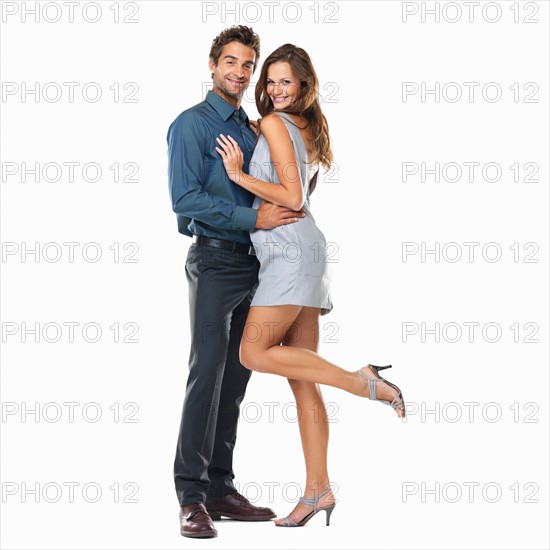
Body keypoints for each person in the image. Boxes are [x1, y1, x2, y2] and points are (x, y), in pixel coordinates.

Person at [215, 43, 406, 528]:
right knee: (304, 380)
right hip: (306, 251)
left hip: (288, 254)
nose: (276, 90)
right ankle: (318, 491)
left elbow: (293, 195)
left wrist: (238, 173)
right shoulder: (303, 126)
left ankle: (365, 383)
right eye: (271, 81)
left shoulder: (279, 125)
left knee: (251, 353)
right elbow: (296, 182)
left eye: (286, 82)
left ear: (302, 86)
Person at [166, 26, 306, 539]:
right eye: (231, 62)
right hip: (216, 262)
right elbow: (185, 203)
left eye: (248, 66)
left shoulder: (252, 129)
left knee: (237, 377)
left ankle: (221, 487)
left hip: (258, 267)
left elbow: (274, 190)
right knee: (206, 375)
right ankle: (191, 496)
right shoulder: (191, 126)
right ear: (211, 64)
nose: (240, 73)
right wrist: (253, 221)